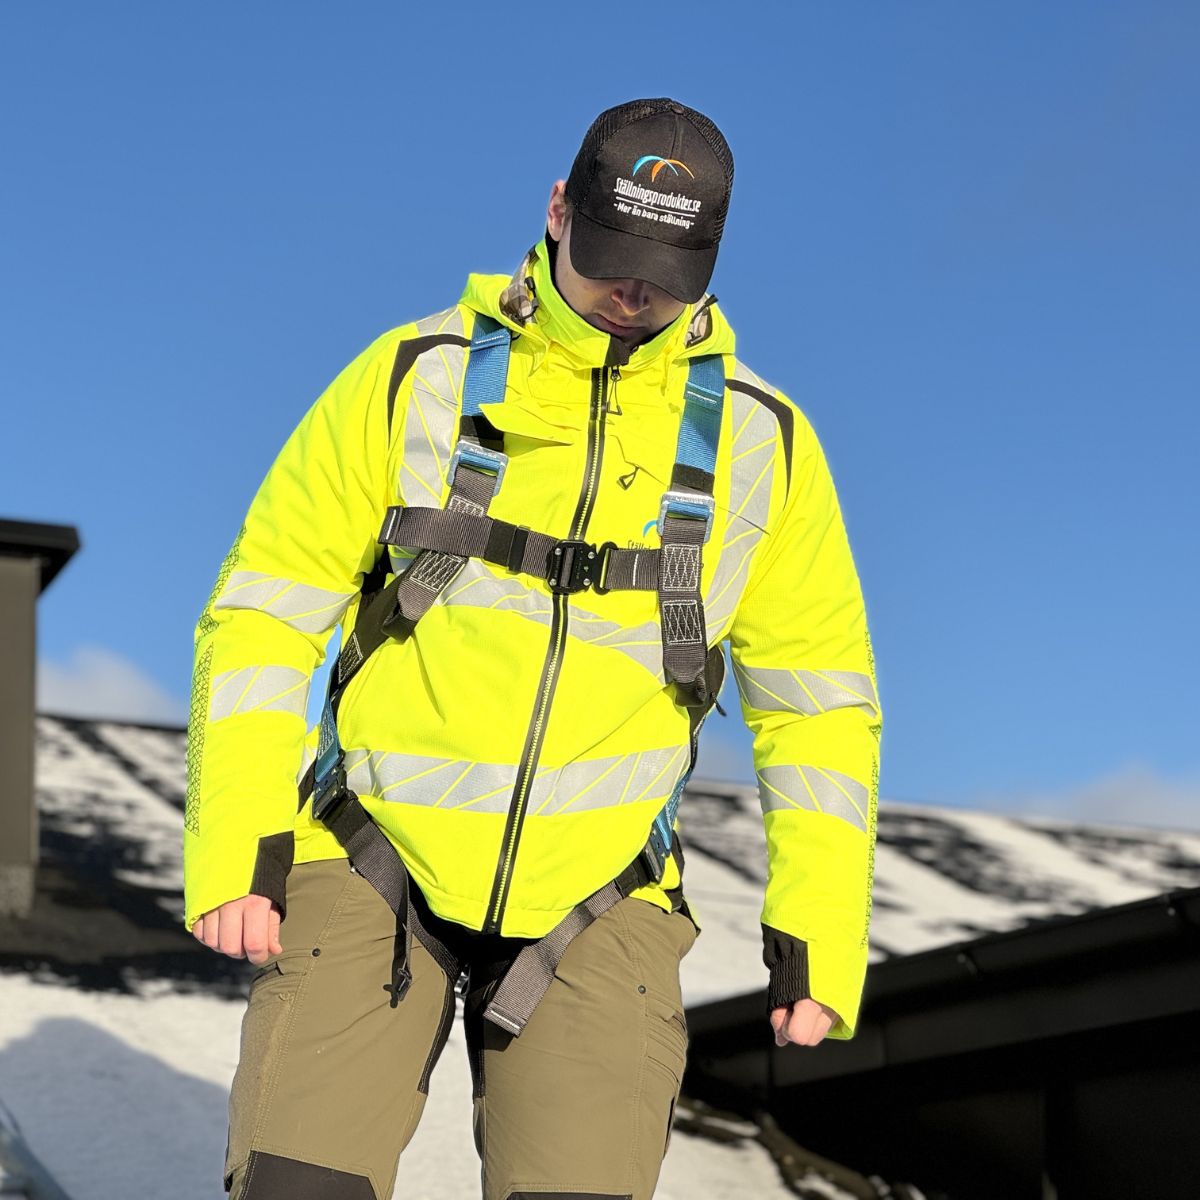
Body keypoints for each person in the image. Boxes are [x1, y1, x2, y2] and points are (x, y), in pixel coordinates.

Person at [185, 97, 881, 1200]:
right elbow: (264, 613)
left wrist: (818, 932)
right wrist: (240, 851)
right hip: (371, 853)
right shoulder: (412, 377)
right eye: (611, 256)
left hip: (605, 891)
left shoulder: (767, 445)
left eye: (666, 271)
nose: (633, 294)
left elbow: (819, 708)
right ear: (558, 211)